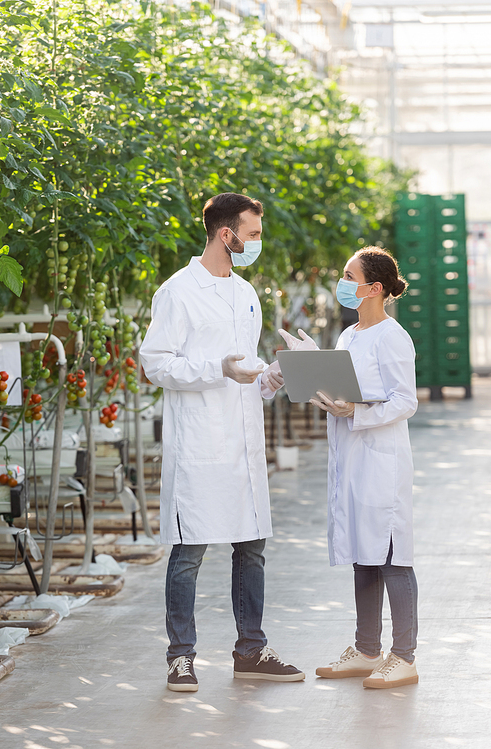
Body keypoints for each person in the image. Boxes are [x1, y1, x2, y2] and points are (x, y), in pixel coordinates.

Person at [140, 192, 305, 692]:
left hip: (243, 444)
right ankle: (180, 656)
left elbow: (245, 375)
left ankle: (251, 650)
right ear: (226, 234)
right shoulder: (177, 291)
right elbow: (156, 364)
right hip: (200, 443)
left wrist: (271, 378)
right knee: (189, 552)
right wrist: (218, 369)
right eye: (252, 234)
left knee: (251, 548)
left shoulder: (246, 293)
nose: (258, 242)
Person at [280, 246, 419, 689]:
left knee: (393, 557)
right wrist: (317, 380)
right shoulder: (349, 336)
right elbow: (344, 388)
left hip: (382, 463)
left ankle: (405, 656)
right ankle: (365, 650)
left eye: (348, 275)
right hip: (351, 461)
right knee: (364, 555)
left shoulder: (393, 337)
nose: (342, 283)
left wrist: (355, 412)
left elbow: (404, 400)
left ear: (374, 288)